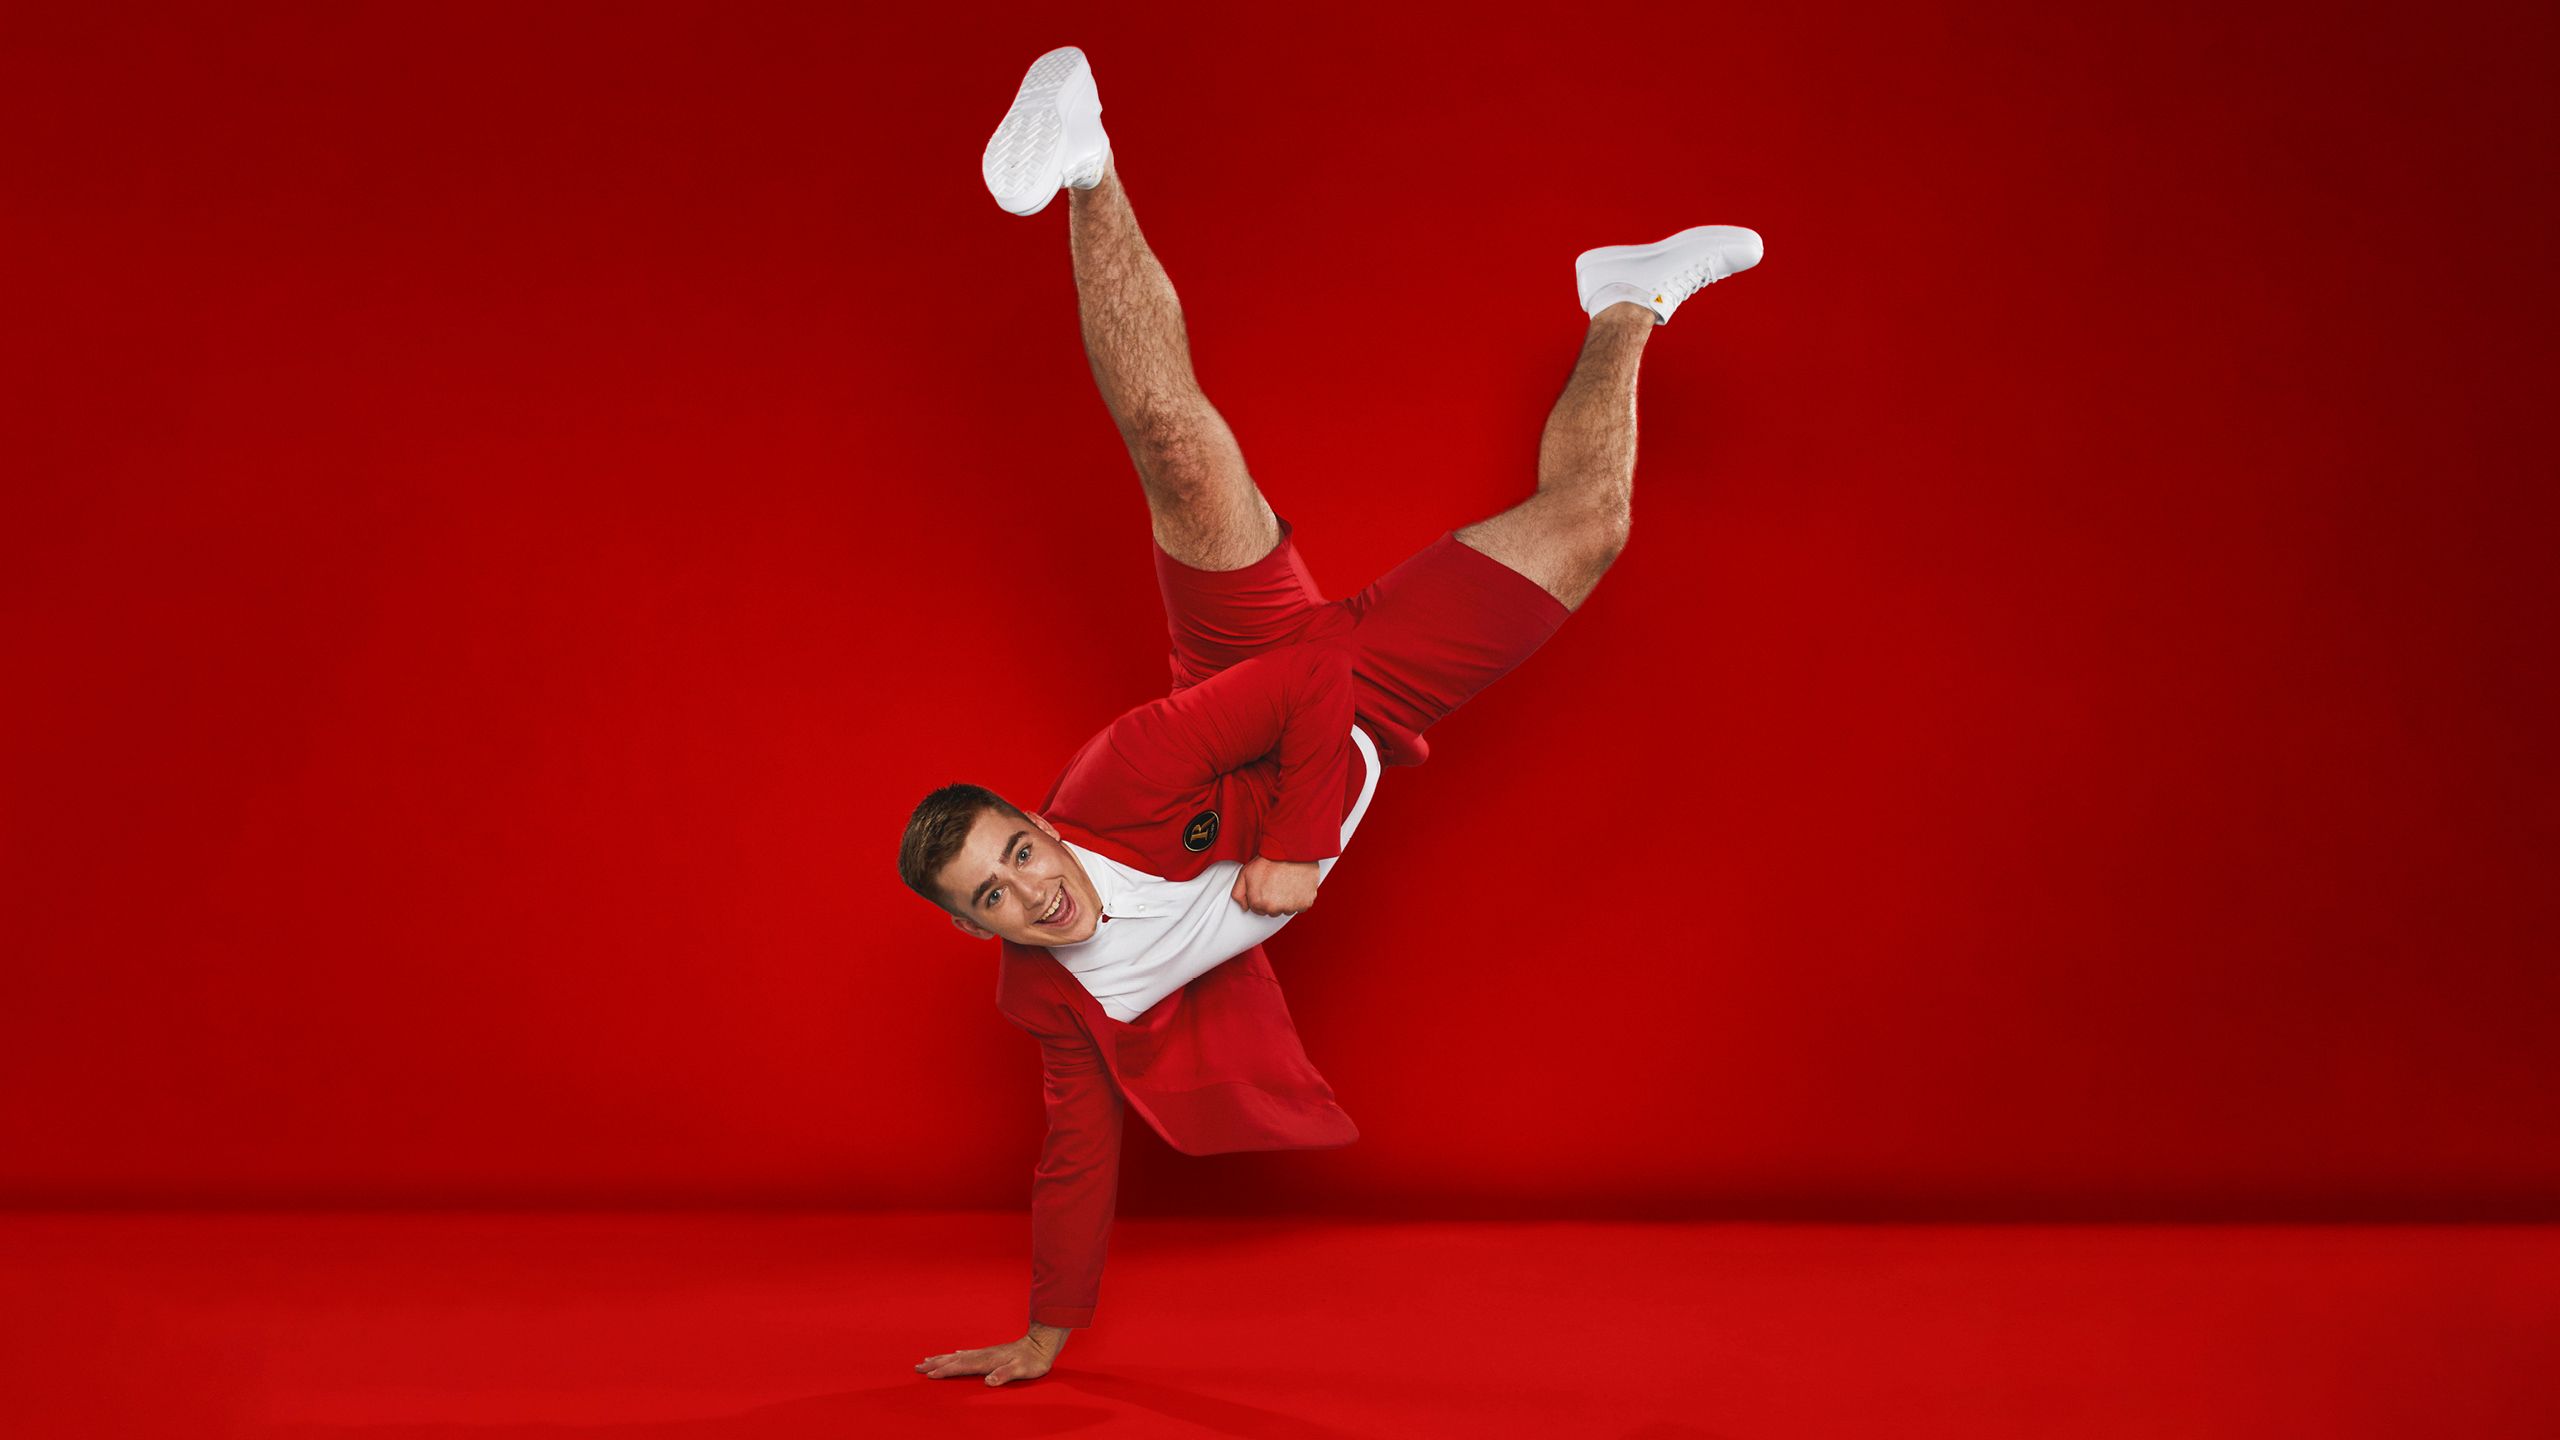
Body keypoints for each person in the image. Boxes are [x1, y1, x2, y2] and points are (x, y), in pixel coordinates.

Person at [908, 46, 1763, 1387]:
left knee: (1179, 452)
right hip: (1356, 713)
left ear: (1035, 820)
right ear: (976, 933)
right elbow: (1076, 1146)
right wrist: (1045, 1334)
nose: (1035, 892)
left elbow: (1307, 675)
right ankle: (1628, 298)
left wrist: (1299, 850)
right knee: (1593, 525)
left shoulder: (1120, 771)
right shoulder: (1046, 999)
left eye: (1019, 852)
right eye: (996, 899)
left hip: (1279, 683)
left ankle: (1084, 163)